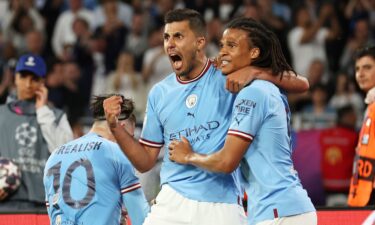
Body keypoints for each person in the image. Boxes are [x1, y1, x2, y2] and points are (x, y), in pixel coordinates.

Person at [104, 9, 309, 225]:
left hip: (222, 203)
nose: (170, 44)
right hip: (171, 203)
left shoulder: (226, 72)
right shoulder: (159, 93)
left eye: (178, 36)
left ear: (200, 42)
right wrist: (115, 127)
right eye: (166, 37)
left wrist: (255, 72)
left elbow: (301, 83)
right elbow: (145, 161)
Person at [169, 17, 316, 225]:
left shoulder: (253, 92)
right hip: (283, 207)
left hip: (278, 211)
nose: (223, 52)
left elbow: (227, 162)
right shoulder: (264, 87)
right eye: (222, 45)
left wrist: (189, 156)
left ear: (254, 53)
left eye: (232, 45)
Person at [43, 94, 149, 225]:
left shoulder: (54, 156)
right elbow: (142, 219)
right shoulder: (116, 153)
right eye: (130, 137)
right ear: (120, 127)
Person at [0, 53, 73, 210]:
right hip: (6, 204)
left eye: (34, 78)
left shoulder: (57, 116)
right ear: (15, 78)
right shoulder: (1, 114)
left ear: (43, 82)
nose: (28, 84)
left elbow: (67, 157)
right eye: (23, 76)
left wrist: (43, 111)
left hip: (45, 204)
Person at [348, 45, 375, 207]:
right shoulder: (370, 105)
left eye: (367, 67)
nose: (360, 74)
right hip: (365, 196)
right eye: (357, 68)